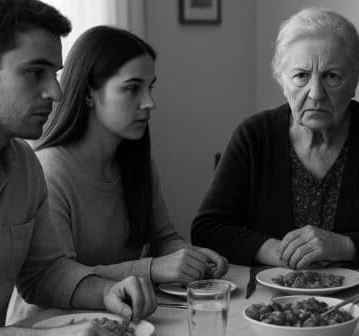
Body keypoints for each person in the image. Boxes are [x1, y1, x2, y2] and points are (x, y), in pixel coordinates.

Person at [0, 0, 156, 336]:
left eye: (55, 73)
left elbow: (43, 272)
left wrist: (104, 291)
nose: (56, 93)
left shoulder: (23, 163)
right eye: (36, 73)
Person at [190, 7, 359, 268]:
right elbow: (207, 229)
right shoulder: (253, 136)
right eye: (301, 76)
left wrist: (344, 246)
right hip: (268, 292)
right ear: (282, 80)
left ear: (355, 80)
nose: (316, 93)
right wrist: (279, 252)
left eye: (332, 77)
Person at [33, 26, 227, 286]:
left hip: (123, 309)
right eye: (132, 88)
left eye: (150, 88)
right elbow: (57, 278)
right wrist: (150, 269)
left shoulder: (136, 162)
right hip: (52, 313)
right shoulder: (48, 171)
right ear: (89, 93)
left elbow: (163, 239)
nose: (149, 102)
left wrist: (190, 257)